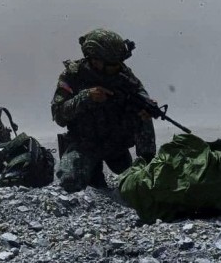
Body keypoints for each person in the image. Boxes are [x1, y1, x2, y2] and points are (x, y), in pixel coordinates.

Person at [51, 28, 156, 192]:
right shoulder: (73, 76)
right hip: (84, 144)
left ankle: (149, 168)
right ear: (95, 60)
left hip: (116, 144)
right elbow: (59, 115)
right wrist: (85, 97)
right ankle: (94, 174)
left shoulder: (124, 75)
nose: (117, 69)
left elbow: (141, 94)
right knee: (70, 184)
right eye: (111, 65)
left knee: (144, 113)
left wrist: (147, 105)